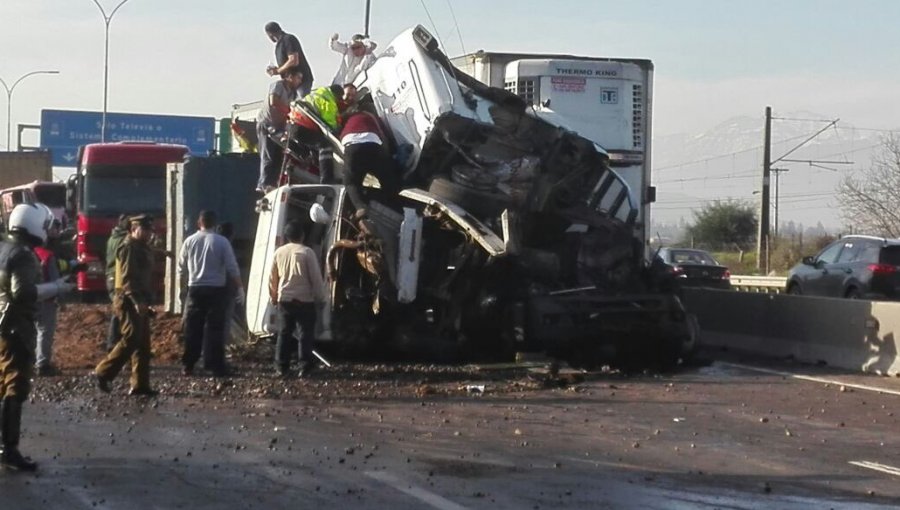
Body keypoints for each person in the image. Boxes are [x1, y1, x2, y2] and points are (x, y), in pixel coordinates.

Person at [0, 203, 73, 470]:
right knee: (15, 387)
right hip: (16, 327)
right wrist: (55, 287)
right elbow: (24, 293)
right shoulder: (22, 255)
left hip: (2, 324)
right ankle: (8, 449)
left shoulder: (4, 247)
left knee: (2, 384)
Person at [95, 214, 158, 397]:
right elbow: (128, 278)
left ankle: (140, 385)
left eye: (149, 230)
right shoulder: (129, 246)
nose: (148, 233)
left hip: (141, 298)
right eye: (145, 229)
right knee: (131, 338)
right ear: (134, 229)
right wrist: (137, 301)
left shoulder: (141, 246)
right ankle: (103, 372)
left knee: (143, 343)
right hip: (128, 299)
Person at [177, 211, 243, 377]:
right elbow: (232, 267)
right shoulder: (222, 242)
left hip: (195, 289)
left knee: (193, 329)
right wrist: (240, 287)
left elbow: (181, 267)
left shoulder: (189, 241)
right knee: (215, 328)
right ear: (214, 224)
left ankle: (188, 364)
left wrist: (181, 288)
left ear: (199, 223)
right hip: (216, 290)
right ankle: (215, 366)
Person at [268, 220, 325, 378]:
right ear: (302, 235)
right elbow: (316, 278)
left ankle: (281, 367)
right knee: (305, 334)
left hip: (284, 299)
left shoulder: (279, 253)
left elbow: (273, 278)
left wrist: (273, 296)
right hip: (304, 300)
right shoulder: (307, 252)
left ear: (287, 237)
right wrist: (321, 297)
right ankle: (304, 367)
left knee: (284, 333)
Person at [33, 213, 79, 376]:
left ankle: (33, 360)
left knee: (33, 330)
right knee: (45, 331)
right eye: (54, 227)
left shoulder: (29, 251)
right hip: (47, 297)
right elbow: (54, 279)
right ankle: (42, 364)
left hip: (29, 297)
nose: (57, 230)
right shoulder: (49, 253)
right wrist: (61, 296)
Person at [340, 108, 401, 216]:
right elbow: (385, 134)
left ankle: (360, 207)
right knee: (387, 179)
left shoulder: (347, 123)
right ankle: (396, 206)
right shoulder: (373, 117)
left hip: (352, 146)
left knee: (351, 182)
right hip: (373, 143)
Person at [256, 68, 306, 194]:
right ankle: (264, 183)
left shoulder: (293, 93)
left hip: (279, 127)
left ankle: (273, 184)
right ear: (289, 76)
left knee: (279, 156)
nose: (299, 81)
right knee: (268, 155)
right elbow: (274, 102)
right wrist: (290, 111)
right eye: (298, 77)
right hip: (267, 124)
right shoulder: (278, 85)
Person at [265, 21, 314, 97]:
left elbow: (293, 60)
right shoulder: (279, 45)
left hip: (302, 81)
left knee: (302, 104)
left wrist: (278, 71)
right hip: (291, 84)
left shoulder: (288, 39)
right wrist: (277, 69)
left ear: (270, 34)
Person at [104, 214, 129, 351]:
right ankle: (113, 343)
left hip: (111, 277)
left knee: (118, 309)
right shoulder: (123, 241)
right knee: (119, 311)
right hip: (117, 278)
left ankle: (114, 343)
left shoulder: (113, 238)